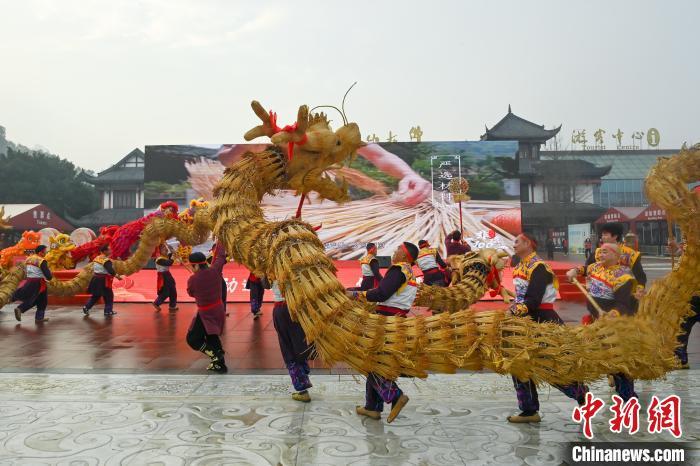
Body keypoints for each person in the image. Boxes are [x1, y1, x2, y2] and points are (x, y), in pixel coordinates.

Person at [507, 233, 588, 423]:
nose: (514, 245)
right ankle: (529, 410)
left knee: (550, 366)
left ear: (528, 243)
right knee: (518, 364)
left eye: (517, 241)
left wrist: (516, 310)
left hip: (542, 321)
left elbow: (534, 300)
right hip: (524, 320)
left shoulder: (539, 267)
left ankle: (582, 395)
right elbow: (522, 297)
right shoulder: (520, 266)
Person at [348, 241, 418, 423]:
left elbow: (382, 293)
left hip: (386, 322)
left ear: (404, 255)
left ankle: (395, 395)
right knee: (376, 362)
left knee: (371, 363)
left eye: (397, 250)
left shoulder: (397, 270)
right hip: (396, 320)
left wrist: (358, 295)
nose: (394, 252)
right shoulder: (409, 272)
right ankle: (372, 407)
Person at [566, 243, 638, 401]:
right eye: (600, 251)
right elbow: (583, 269)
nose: (600, 254)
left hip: (614, 323)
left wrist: (613, 314)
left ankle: (628, 397)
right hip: (594, 319)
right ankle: (584, 388)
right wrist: (574, 271)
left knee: (617, 358)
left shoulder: (623, 275)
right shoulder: (595, 267)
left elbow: (624, 303)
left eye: (605, 252)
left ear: (616, 255)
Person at [187, 243, 228, 373]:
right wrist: (221, 241)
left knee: (193, 339)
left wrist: (195, 278)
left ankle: (216, 356)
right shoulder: (215, 270)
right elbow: (221, 257)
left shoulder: (193, 279)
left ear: (197, 265)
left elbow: (191, 293)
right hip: (218, 310)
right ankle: (220, 364)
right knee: (211, 335)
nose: (192, 268)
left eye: (192, 266)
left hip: (205, 313)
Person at [271, 277, 314, 401]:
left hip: (282, 310)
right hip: (298, 309)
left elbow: (265, 284)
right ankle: (303, 375)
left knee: (288, 348)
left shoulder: (271, 267)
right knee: (299, 345)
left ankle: (302, 389)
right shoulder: (297, 263)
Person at [584, 222, 646, 301]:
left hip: (624, 297)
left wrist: (639, 290)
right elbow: (587, 268)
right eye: (602, 235)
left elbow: (640, 276)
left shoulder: (630, 254)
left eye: (605, 234)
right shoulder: (598, 252)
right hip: (602, 297)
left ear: (615, 236)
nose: (602, 237)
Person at [13, 244, 52, 323]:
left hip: (30, 281)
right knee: (38, 300)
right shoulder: (41, 260)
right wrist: (49, 277)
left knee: (40, 300)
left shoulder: (29, 258)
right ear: (41, 252)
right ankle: (21, 309)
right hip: (39, 283)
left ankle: (39, 318)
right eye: (45, 251)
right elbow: (48, 276)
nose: (46, 252)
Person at [82, 244, 120, 317]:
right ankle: (108, 311)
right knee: (109, 295)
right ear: (105, 251)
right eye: (109, 249)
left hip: (96, 278)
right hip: (103, 280)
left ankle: (86, 307)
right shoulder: (106, 260)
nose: (110, 251)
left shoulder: (97, 258)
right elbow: (110, 271)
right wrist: (117, 276)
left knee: (96, 295)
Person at [152, 244, 178, 312]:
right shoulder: (159, 259)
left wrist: (172, 250)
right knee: (165, 292)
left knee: (173, 290)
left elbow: (174, 254)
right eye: (164, 249)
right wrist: (172, 256)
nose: (166, 249)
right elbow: (169, 263)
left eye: (166, 248)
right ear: (159, 251)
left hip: (168, 274)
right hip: (163, 276)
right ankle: (156, 303)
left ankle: (172, 306)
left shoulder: (165, 256)